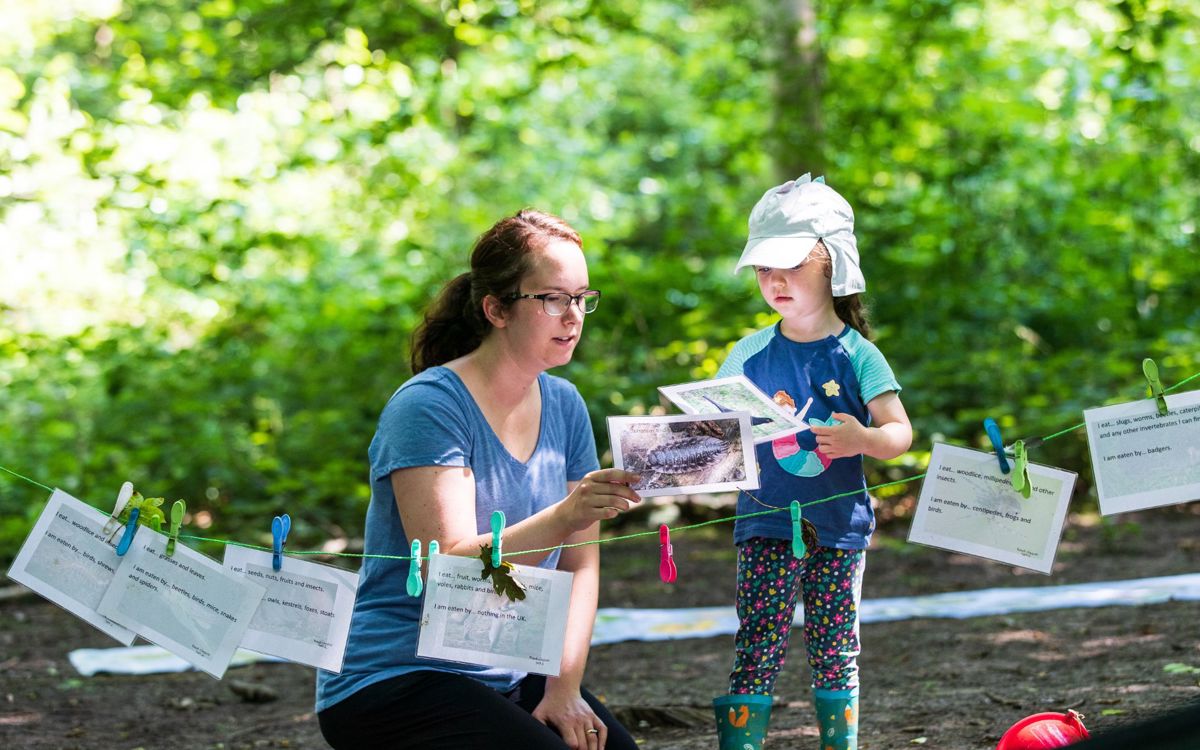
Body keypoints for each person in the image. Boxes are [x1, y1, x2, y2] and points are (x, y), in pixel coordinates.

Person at [316, 209, 643, 750]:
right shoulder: (429, 406)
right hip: (395, 676)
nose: (573, 315)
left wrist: (564, 688)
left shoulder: (565, 404)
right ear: (496, 309)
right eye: (552, 298)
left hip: (509, 664)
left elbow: (581, 566)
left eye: (582, 297)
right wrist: (566, 515)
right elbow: (447, 568)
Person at [711, 175, 913, 750]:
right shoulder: (747, 353)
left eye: (791, 266)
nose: (775, 281)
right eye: (763, 269)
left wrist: (862, 438)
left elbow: (899, 432)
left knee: (836, 648)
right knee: (757, 644)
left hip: (839, 528)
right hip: (764, 523)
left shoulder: (858, 354)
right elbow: (712, 432)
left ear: (833, 265)